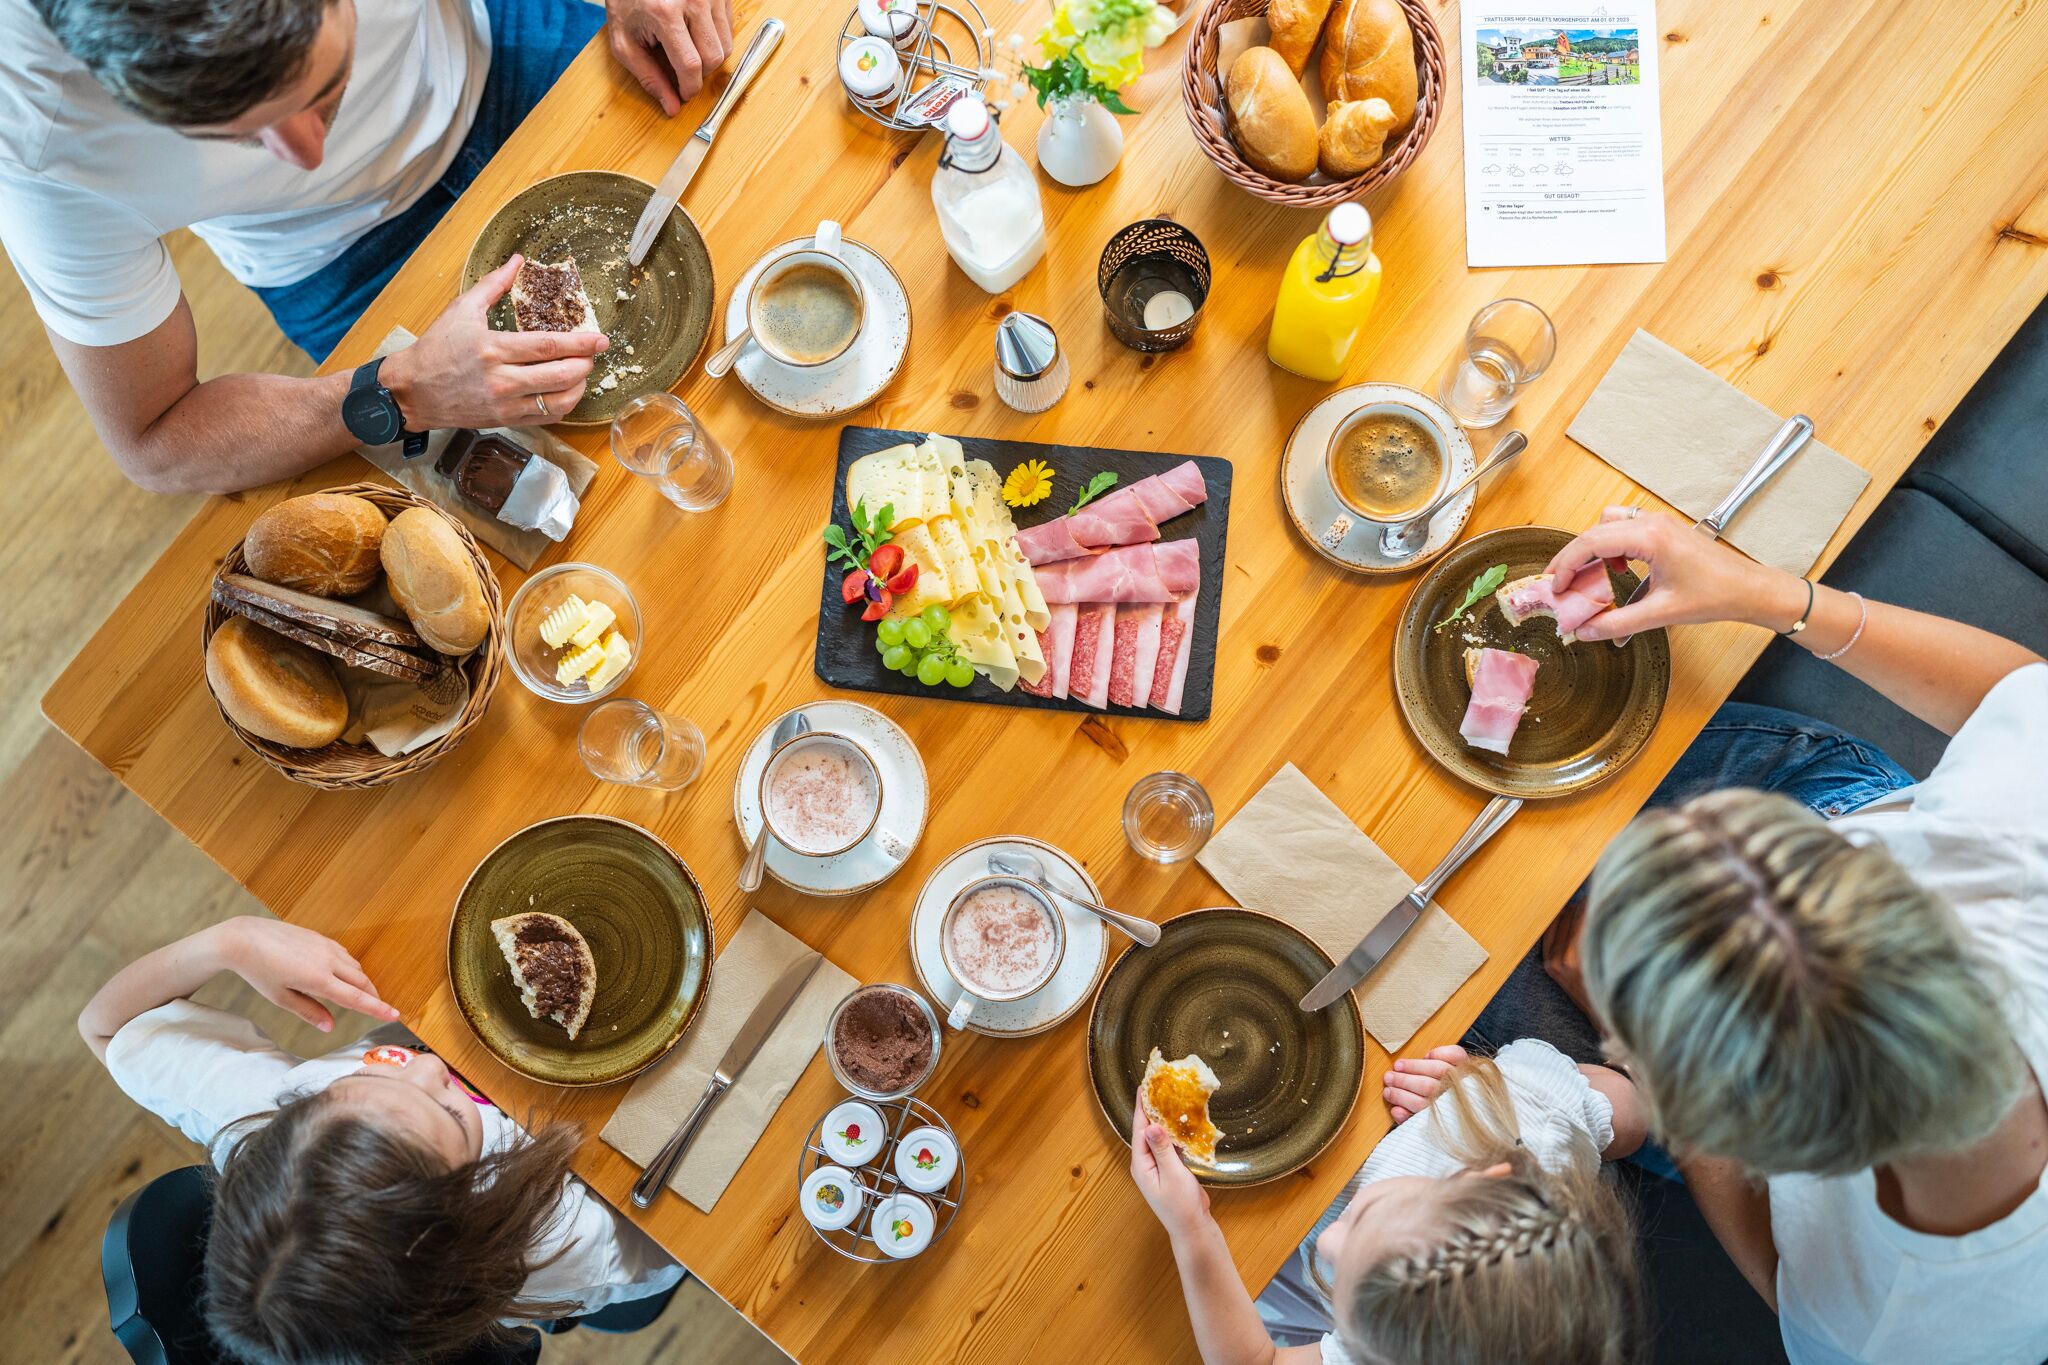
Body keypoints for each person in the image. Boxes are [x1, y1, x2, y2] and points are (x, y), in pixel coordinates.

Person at [1518, 507, 2048, 1365]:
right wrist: (1763, 594)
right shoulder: (2027, 868)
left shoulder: (1897, 1330)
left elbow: (1775, 1266)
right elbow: (2019, 697)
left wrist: (1658, 1090)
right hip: (1820, 794)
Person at [1, 0, 733, 495]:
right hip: (339, 260)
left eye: (327, 88)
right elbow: (154, 442)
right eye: (236, 137)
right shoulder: (35, 138)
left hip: (491, 51)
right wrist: (397, 393)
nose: (309, 155)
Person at [79, 916, 682, 1363]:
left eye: (370, 1077)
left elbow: (106, 1031)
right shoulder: (556, 1246)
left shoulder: (260, 1112)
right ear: (465, 1214)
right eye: (448, 1114)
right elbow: (668, 1238)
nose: (426, 1067)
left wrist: (229, 943)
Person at [1127, 1041, 1650, 1365]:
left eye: (1349, 1318)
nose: (1328, 1245)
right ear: (1483, 1175)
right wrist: (1480, 1089)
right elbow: (1629, 1110)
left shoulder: (1406, 1343)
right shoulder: (1536, 1120)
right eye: (1362, 1220)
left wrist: (1192, 1228)